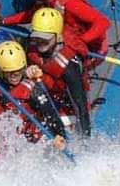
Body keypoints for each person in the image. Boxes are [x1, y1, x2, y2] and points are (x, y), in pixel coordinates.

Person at [24, 8, 91, 136]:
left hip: (66, 105)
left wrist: (85, 141)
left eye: (45, 39)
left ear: (58, 37)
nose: (40, 42)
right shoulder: (33, 48)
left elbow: (80, 105)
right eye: (37, 37)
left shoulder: (68, 67)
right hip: (46, 96)